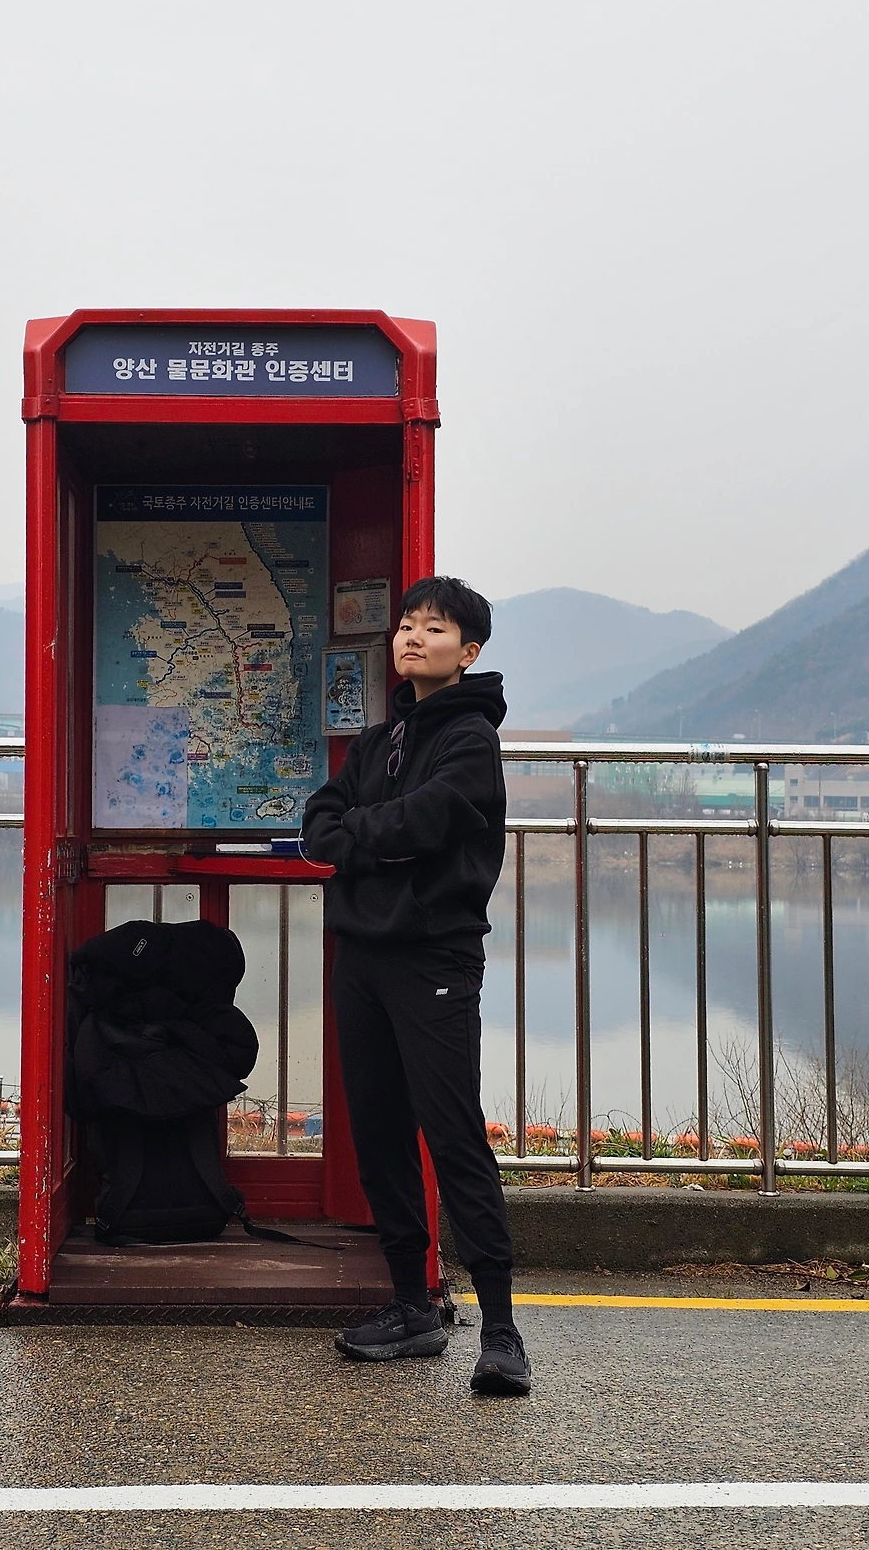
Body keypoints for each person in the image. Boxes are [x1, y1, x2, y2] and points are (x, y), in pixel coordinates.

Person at [301, 575, 530, 1396]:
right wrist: (372, 839)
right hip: (361, 958)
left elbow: (424, 823)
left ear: (468, 652)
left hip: (434, 958)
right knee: (380, 1131)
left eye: (433, 628)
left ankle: (501, 1330)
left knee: (452, 1132)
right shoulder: (377, 741)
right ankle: (411, 1308)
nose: (411, 637)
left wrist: (358, 837)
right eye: (405, 624)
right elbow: (318, 823)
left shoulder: (472, 741)